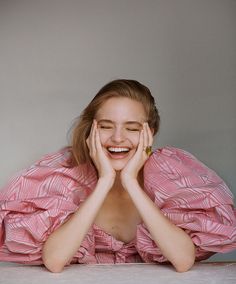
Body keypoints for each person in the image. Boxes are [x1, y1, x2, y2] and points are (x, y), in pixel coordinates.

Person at [0, 79, 236, 273]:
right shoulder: (63, 176)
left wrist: (131, 182)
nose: (118, 138)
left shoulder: (171, 173)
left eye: (132, 128)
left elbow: (183, 260)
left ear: (149, 134)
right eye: (105, 126)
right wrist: (104, 181)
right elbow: (54, 261)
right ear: (91, 130)